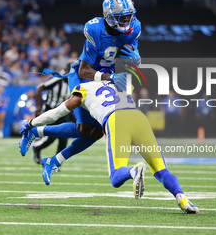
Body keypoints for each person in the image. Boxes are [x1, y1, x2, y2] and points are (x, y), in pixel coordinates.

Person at [19, 81, 199, 214]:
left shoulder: (83, 87)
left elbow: (57, 113)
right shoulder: (116, 81)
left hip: (116, 119)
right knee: (161, 170)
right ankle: (182, 199)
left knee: (115, 177)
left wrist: (32, 123)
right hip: (139, 117)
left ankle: (133, 171)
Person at [22, 0, 141, 175]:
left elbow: (130, 56)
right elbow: (84, 70)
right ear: (109, 16)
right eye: (122, 17)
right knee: (84, 129)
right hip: (84, 75)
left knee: (96, 132)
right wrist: (110, 78)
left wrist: (136, 59)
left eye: (129, 16)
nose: (127, 21)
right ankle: (35, 130)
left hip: (107, 75)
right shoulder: (95, 29)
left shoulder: (134, 28)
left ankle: (53, 159)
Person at [32, 65, 75, 164]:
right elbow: (40, 88)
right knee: (51, 137)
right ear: (65, 70)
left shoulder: (73, 82)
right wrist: (38, 107)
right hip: (51, 110)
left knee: (64, 137)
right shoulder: (57, 79)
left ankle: (56, 162)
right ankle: (37, 147)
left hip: (64, 112)